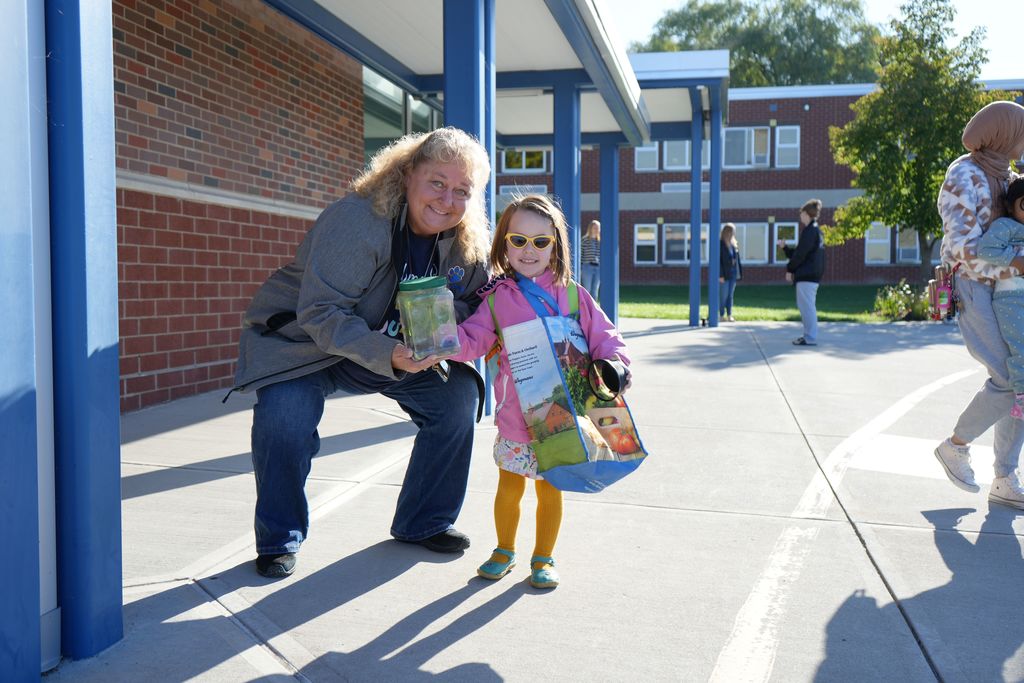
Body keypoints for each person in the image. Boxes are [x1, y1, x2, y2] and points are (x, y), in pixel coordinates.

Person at [230, 127, 493, 578]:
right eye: (437, 183)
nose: (447, 200)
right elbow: (319, 312)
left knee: (457, 399)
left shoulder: (465, 242)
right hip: (307, 347)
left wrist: (440, 323)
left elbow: (478, 300)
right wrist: (389, 351)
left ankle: (423, 522)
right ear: (408, 173)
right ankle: (279, 537)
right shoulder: (357, 220)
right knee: (284, 419)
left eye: (462, 191)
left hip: (399, 353)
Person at [446, 195, 630, 589]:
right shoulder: (497, 299)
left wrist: (617, 365)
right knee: (509, 489)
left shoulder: (574, 295)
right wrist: (440, 339)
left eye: (540, 242)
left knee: (550, 492)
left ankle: (543, 557)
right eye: (518, 240)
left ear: (556, 246)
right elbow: (474, 339)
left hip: (563, 418)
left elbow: (605, 337)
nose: (529, 251)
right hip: (516, 416)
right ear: (504, 244)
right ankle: (504, 550)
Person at [934, 100, 1024, 511]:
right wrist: (1014, 263)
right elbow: (960, 248)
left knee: (1020, 379)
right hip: (971, 287)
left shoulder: (1006, 176)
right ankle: (956, 445)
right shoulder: (964, 174)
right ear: (1003, 132)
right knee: (1008, 376)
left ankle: (1004, 477)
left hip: (1005, 291)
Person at [977, 177, 1024, 419]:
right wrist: (1018, 262)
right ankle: (1021, 397)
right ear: (1010, 206)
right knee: (1021, 346)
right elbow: (985, 250)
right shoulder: (1006, 226)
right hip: (1011, 298)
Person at [778, 199, 825, 345]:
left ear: (806, 214)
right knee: (806, 306)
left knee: (807, 306)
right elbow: (800, 252)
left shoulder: (810, 231)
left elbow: (800, 255)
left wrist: (790, 269)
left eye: (801, 214)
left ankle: (810, 337)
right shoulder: (815, 230)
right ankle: (808, 335)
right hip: (811, 274)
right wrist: (785, 248)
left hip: (807, 275)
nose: (800, 216)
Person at [718, 222, 743, 322]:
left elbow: (736, 259)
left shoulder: (733, 244)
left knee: (730, 295)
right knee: (723, 296)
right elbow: (718, 261)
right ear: (727, 232)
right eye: (732, 231)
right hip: (724, 274)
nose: (734, 234)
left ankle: (729, 315)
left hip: (733, 273)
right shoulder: (720, 244)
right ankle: (721, 315)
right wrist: (720, 275)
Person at [580, 219, 601, 299]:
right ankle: (585, 308)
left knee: (595, 290)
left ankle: (593, 309)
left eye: (598, 228)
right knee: (587, 289)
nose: (596, 230)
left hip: (598, 267)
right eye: (594, 227)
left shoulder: (600, 241)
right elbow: (581, 254)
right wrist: (581, 268)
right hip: (587, 267)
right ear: (590, 228)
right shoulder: (585, 240)